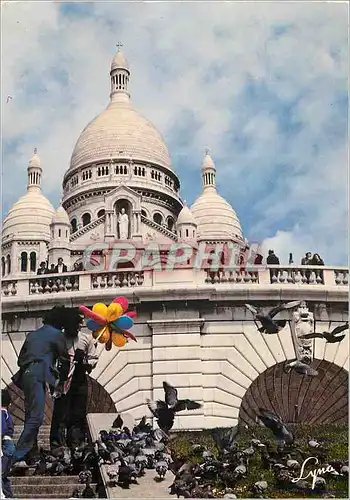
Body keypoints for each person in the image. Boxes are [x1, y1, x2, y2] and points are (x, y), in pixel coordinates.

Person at [4, 307, 82, 474]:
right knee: (37, 417)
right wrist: (58, 383)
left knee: (30, 415)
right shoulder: (57, 335)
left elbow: (20, 360)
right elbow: (64, 361)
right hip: (38, 374)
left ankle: (30, 454)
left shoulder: (32, 334)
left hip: (26, 375)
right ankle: (15, 457)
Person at [50, 330, 98, 450]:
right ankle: (57, 446)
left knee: (78, 413)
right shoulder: (58, 339)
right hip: (62, 379)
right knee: (60, 414)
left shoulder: (86, 339)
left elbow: (93, 359)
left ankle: (76, 444)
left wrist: (84, 362)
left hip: (79, 378)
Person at [1, 389, 15, 498]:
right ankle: (8, 494)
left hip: (4, 445)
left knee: (2, 473)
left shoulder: (2, 414)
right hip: (9, 446)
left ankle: (6, 495)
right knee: (4, 474)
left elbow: (1, 430)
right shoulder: (6, 414)